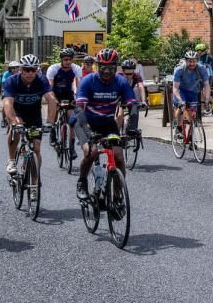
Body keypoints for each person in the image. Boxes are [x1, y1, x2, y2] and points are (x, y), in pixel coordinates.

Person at [75, 48, 138, 200]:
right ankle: (82, 181)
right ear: (97, 66)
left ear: (116, 67)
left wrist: (132, 127)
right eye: (103, 67)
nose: (107, 71)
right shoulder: (88, 81)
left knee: (118, 156)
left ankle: (117, 194)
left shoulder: (121, 81)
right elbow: (79, 109)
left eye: (110, 68)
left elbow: (132, 105)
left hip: (107, 123)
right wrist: (88, 130)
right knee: (92, 152)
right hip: (86, 122)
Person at [2, 54, 57, 176]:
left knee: (36, 149)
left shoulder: (41, 80)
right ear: (21, 69)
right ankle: (11, 160)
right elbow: (7, 104)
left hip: (34, 115)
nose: (30, 73)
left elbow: (52, 100)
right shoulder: (12, 81)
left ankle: (35, 183)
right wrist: (13, 121)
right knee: (15, 130)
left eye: (33, 69)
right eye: (27, 69)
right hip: (17, 113)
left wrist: (50, 122)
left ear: (37, 70)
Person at [46, 47, 82, 152]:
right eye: (66, 59)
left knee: (72, 120)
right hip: (55, 93)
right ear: (61, 59)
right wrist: (54, 100)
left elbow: (77, 85)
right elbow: (49, 87)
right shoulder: (53, 69)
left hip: (68, 95)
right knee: (54, 110)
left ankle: (71, 146)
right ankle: (52, 131)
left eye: (70, 59)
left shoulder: (76, 68)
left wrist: (77, 97)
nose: (68, 62)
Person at [172, 50, 210, 134]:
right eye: (189, 61)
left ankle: (191, 140)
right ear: (186, 61)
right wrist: (180, 101)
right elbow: (175, 88)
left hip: (193, 92)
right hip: (181, 90)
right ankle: (178, 127)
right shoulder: (180, 69)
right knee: (182, 106)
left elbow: (206, 85)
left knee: (192, 116)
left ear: (197, 61)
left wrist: (207, 99)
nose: (192, 63)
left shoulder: (201, 69)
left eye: (194, 61)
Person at [117, 58, 146, 134]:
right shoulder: (118, 76)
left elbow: (141, 87)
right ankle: (116, 133)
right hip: (119, 96)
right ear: (123, 71)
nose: (129, 76)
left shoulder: (136, 76)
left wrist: (143, 101)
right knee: (119, 115)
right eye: (127, 74)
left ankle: (131, 129)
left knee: (135, 108)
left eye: (131, 73)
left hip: (129, 96)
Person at [1, 60, 20, 127]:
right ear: (10, 69)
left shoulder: (20, 74)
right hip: (7, 90)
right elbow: (4, 82)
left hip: (16, 92)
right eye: (13, 68)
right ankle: (3, 120)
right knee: (4, 106)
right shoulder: (6, 74)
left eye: (17, 67)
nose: (15, 69)